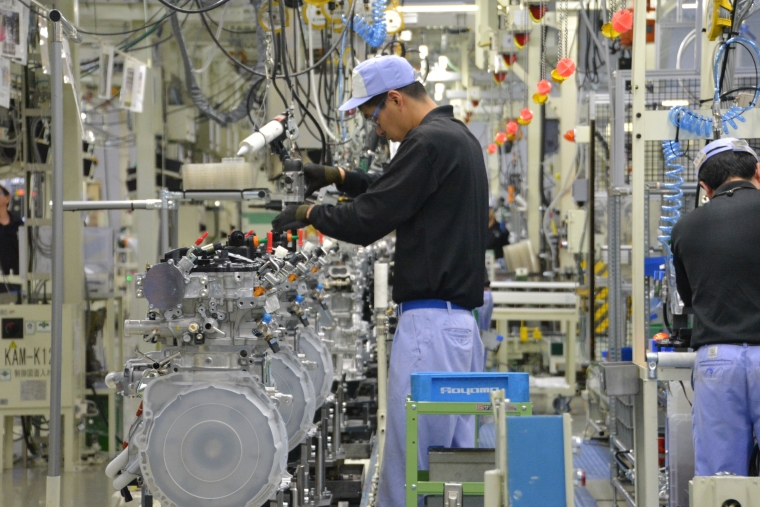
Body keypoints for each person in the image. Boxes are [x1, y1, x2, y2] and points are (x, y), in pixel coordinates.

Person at [272, 55, 488, 506]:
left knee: (412, 465)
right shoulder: (455, 137)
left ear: (394, 99)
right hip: (456, 328)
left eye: (373, 116)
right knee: (452, 464)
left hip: (430, 330)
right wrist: (340, 177)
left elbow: (370, 220)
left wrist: (308, 213)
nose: (376, 129)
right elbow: (398, 191)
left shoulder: (425, 143)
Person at [671, 137, 760, 477]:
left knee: (720, 481)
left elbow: (689, 299)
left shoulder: (685, 228)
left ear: (706, 188)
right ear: (757, 172)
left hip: (716, 360)